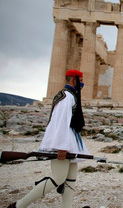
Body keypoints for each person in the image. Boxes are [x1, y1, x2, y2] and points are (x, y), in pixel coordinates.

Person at [8, 70, 90, 208]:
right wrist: (61, 147)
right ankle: (18, 205)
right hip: (63, 143)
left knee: (70, 179)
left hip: (70, 140)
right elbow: (61, 122)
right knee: (58, 178)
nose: (82, 83)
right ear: (73, 81)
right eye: (80, 80)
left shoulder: (70, 95)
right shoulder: (66, 97)